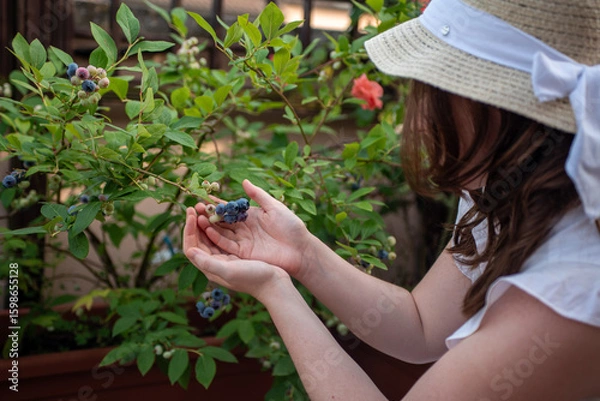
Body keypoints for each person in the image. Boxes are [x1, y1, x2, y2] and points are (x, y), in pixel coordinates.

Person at [183, 0, 600, 399]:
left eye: (435, 89)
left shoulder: (574, 291)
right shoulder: (513, 195)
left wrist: (276, 293)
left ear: (498, 110)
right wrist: (300, 255)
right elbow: (421, 327)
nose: (415, 119)